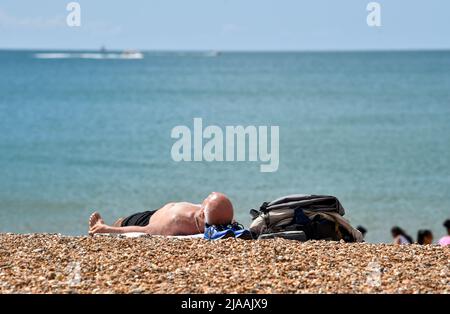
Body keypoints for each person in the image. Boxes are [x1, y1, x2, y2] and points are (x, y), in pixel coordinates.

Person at [88, 192, 234, 236]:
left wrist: (107, 229)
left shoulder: (176, 222)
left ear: (203, 214)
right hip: (158, 213)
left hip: (147, 220)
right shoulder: (215, 215)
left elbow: (145, 230)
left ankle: (102, 228)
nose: (207, 197)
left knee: (122, 221)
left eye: (208, 199)